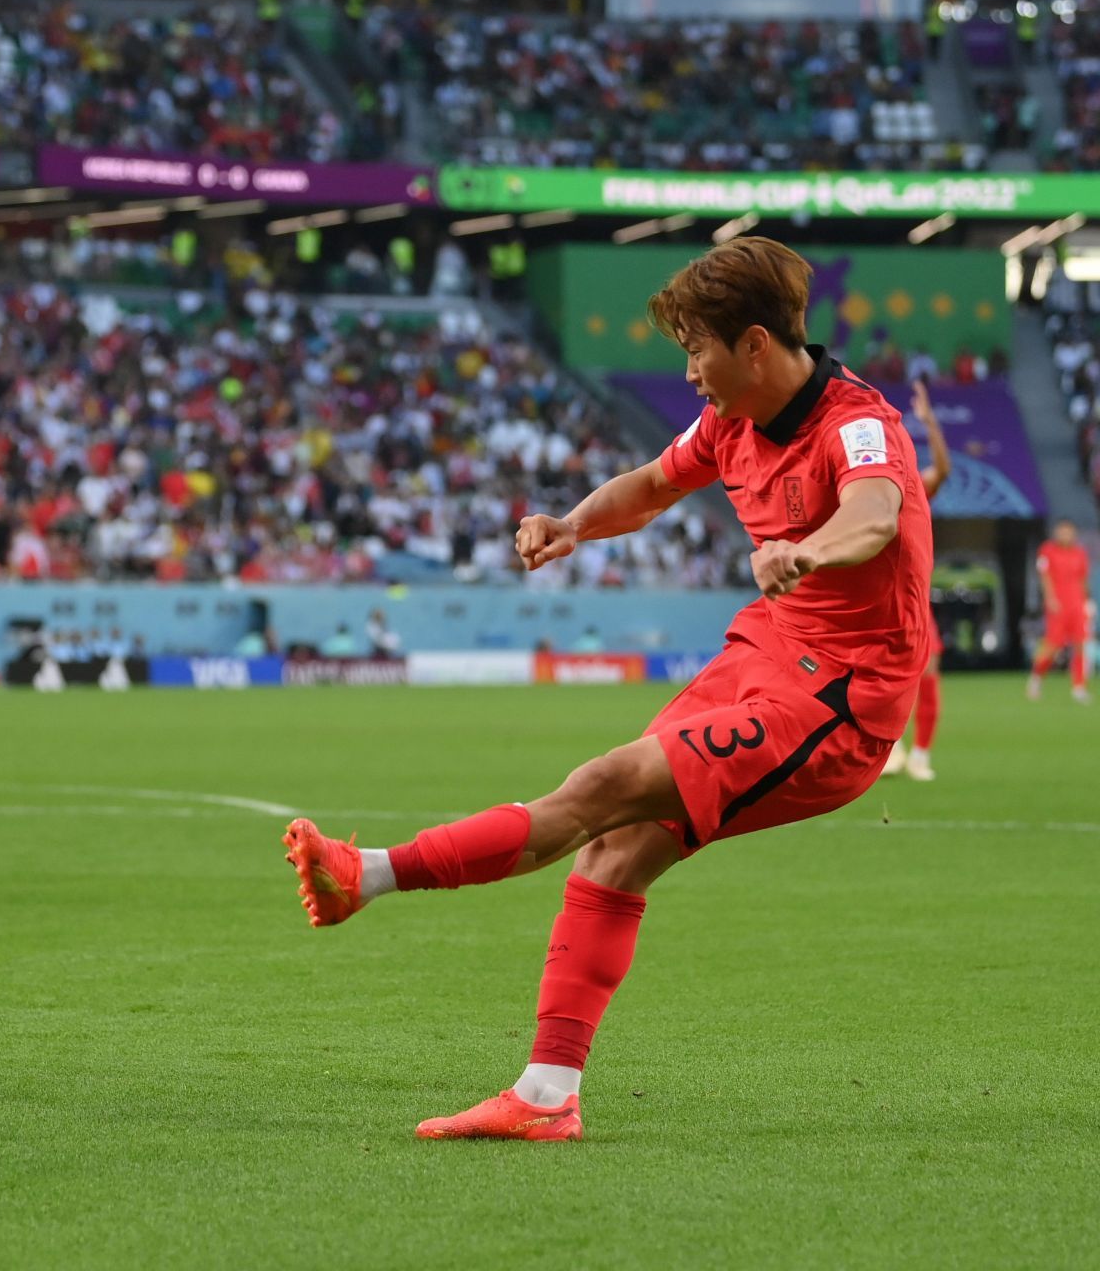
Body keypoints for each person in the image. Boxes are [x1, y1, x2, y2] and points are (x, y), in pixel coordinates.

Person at [279, 238, 933, 1141]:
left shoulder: (859, 425)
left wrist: (805, 550)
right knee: (612, 850)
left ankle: (371, 876)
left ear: (752, 345)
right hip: (766, 653)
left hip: (840, 702)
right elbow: (653, 485)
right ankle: (546, 1099)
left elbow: (873, 514)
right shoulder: (730, 421)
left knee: (600, 788)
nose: (690, 371)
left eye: (696, 349)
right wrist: (573, 525)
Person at [883, 378, 953, 780]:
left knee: (928, 671)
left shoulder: (910, 489)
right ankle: (889, 748)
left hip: (910, 597)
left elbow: (943, 469)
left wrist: (929, 422)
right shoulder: (860, 487)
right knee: (881, 679)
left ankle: (921, 754)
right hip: (872, 601)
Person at [1028, 519, 1091, 703]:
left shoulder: (1080, 553)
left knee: (1080, 644)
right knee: (1053, 646)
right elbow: (1044, 576)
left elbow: (1083, 579)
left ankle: (1079, 686)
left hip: (1077, 604)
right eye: (1062, 531)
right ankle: (1037, 677)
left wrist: (1087, 601)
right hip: (1058, 605)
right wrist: (1050, 598)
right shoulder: (1047, 551)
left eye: (1068, 531)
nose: (1065, 535)